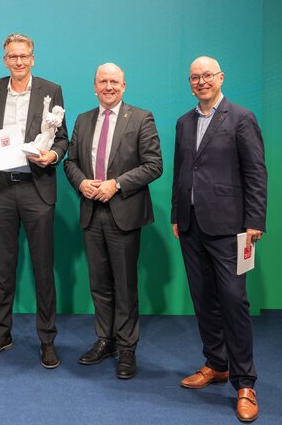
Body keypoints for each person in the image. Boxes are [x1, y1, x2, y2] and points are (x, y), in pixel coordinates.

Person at [172, 56, 267, 422]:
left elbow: (256, 171)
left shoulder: (241, 118)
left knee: (233, 301)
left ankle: (245, 384)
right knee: (204, 299)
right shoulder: (184, 122)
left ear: (221, 77)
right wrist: (176, 214)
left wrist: (254, 220)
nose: (201, 81)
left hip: (230, 228)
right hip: (190, 226)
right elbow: (182, 171)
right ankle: (216, 363)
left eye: (207, 75)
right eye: (194, 77)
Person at [64, 63, 163, 379]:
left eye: (114, 82)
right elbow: (70, 162)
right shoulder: (83, 120)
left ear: (124, 86)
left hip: (124, 212)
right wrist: (81, 182)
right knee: (99, 284)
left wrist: (116, 184)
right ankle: (105, 340)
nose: (108, 86)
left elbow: (154, 165)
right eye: (103, 81)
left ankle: (127, 348)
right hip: (91, 212)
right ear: (94, 86)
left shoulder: (141, 118)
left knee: (125, 286)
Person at [0, 33, 68, 369]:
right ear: (5, 60)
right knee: (4, 268)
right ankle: (2, 334)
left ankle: (47, 340)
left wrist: (53, 156)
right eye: (12, 56)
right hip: (2, 188)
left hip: (36, 188)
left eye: (23, 56)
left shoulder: (51, 90)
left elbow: (62, 138)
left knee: (43, 269)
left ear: (32, 58)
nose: (18, 61)